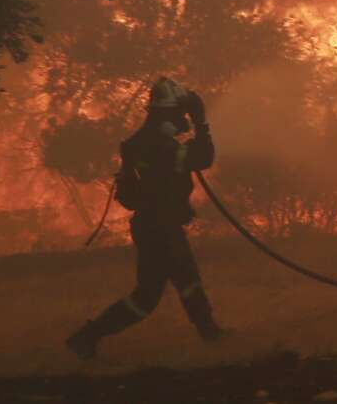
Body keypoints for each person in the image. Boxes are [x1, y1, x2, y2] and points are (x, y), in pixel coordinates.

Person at [65, 76, 228, 359]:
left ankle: (211, 334)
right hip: (160, 228)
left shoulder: (143, 141)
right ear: (168, 114)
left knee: (175, 284)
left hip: (154, 225)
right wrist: (201, 122)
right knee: (154, 294)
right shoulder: (162, 145)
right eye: (181, 113)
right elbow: (203, 157)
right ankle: (86, 337)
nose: (183, 119)